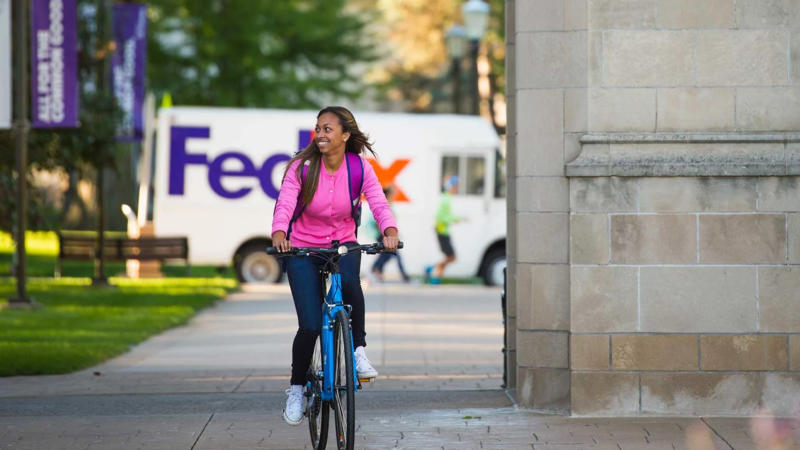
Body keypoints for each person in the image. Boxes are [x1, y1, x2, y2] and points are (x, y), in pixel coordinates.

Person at [271, 106, 399, 426]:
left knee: (353, 285)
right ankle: (297, 389)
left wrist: (390, 231)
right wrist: (279, 232)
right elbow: (285, 203)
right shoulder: (303, 168)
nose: (321, 134)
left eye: (328, 129)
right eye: (318, 129)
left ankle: (356, 351)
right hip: (302, 247)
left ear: (345, 135)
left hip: (342, 242)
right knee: (311, 325)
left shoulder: (359, 168)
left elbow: (378, 201)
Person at [425, 174, 462, 284]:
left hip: (443, 231)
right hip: (442, 231)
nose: (457, 188)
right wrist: (456, 219)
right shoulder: (446, 199)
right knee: (452, 257)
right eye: (456, 186)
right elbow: (441, 216)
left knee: (449, 257)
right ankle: (431, 270)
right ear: (452, 186)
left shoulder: (447, 197)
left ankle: (436, 277)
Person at [368, 186, 410, 283]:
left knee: (387, 254)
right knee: (393, 253)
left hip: (386, 235)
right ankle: (404, 276)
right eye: (393, 193)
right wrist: (386, 235)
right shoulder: (384, 204)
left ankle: (376, 269)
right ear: (388, 194)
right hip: (382, 235)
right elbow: (379, 221)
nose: (395, 195)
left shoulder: (389, 204)